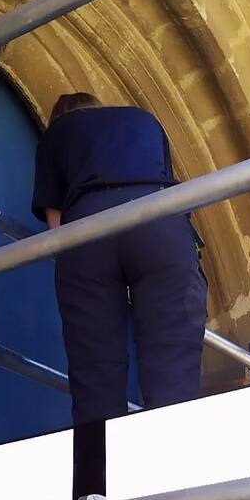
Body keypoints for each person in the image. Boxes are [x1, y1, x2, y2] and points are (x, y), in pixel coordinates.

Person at [32, 92, 207, 427]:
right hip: (158, 218)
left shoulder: (58, 133)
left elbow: (57, 228)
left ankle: (95, 476)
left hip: (87, 226)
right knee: (172, 364)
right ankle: (176, 470)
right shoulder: (143, 120)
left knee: (94, 372)